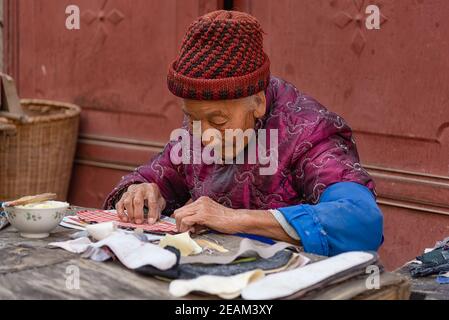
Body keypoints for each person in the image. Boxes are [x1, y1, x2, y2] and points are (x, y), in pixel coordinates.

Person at [104, 10, 383, 256]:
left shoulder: (307, 133)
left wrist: (235, 219)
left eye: (218, 120)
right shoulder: (197, 132)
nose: (203, 137)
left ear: (258, 103)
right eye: (192, 118)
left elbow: (361, 221)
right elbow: (153, 178)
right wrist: (139, 193)